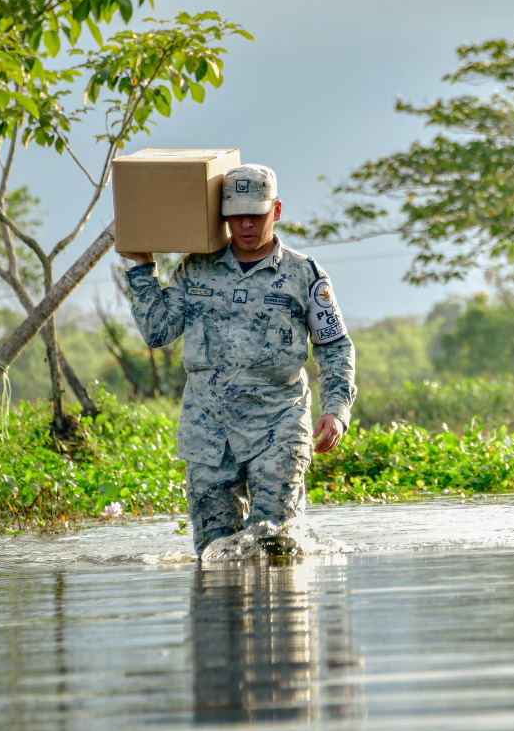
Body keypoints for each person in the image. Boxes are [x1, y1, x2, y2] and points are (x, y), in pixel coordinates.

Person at [121, 164, 357, 555]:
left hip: (278, 428)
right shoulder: (195, 269)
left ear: (276, 211)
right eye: (236, 216)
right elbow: (157, 332)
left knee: (275, 544)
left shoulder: (305, 274)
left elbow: (334, 347)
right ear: (223, 217)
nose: (246, 224)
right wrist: (143, 268)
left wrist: (336, 409)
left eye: (256, 214)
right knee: (215, 554)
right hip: (208, 434)